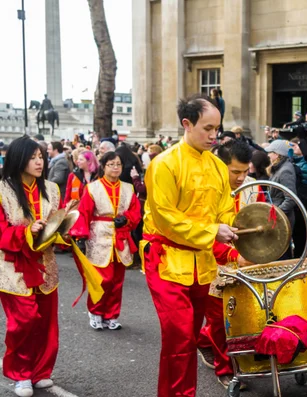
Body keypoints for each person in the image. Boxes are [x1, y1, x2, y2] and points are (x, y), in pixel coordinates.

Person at [142, 93, 238, 396]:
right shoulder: (164, 164)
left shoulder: (218, 166)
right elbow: (166, 218)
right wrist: (213, 232)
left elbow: (226, 208)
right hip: (166, 259)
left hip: (202, 262)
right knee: (179, 337)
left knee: (190, 334)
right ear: (186, 123)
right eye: (207, 128)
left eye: (216, 129)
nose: (213, 136)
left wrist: (233, 230)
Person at [0, 136, 68, 397]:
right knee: (24, 321)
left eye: (41, 156)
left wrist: (64, 226)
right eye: (33, 157)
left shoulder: (52, 188)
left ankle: (41, 371)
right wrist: (28, 231)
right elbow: (2, 231)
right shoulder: (3, 189)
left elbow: (54, 225)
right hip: (14, 266)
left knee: (47, 322)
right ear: (19, 159)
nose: (39, 161)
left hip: (46, 263)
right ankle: (20, 374)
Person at [197, 140, 258, 388]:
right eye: (236, 172)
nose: (242, 177)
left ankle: (201, 340)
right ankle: (225, 370)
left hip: (246, 263)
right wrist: (232, 256)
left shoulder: (254, 189)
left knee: (243, 317)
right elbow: (201, 233)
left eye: (246, 171)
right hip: (213, 265)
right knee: (221, 322)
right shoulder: (203, 192)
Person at [70, 152, 141, 331]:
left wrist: (126, 219)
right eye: (111, 164)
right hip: (99, 238)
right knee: (102, 279)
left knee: (117, 280)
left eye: (118, 164)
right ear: (103, 166)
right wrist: (80, 236)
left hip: (120, 238)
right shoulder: (93, 188)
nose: (115, 167)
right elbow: (84, 213)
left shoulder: (128, 188)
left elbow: (135, 211)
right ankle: (95, 312)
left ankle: (112, 315)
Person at [263, 139, 297, 258]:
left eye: (270, 152)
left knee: (281, 253)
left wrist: (277, 213)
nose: (268, 155)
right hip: (276, 215)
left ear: (277, 154)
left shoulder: (285, 170)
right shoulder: (277, 168)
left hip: (282, 217)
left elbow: (291, 198)